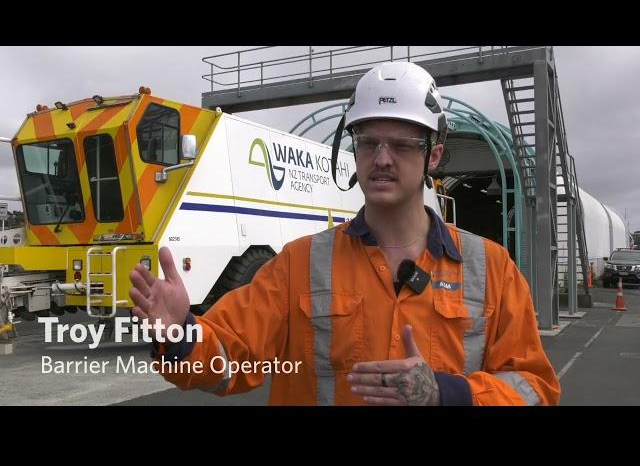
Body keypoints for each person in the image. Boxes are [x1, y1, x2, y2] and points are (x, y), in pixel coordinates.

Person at [129, 61, 560, 406]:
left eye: (404, 144)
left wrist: (448, 394)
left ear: (434, 156)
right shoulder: (299, 265)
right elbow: (228, 358)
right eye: (368, 142)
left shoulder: (492, 268)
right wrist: (181, 333)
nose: (382, 158)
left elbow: (534, 388)